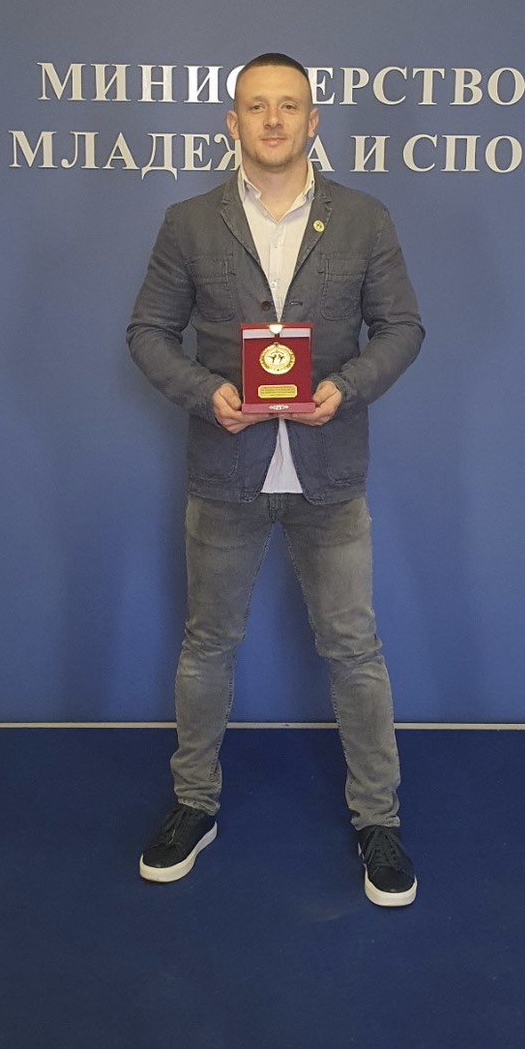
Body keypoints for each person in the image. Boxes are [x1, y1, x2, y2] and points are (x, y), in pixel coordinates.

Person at [126, 53, 424, 906]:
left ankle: (378, 821)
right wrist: (206, 392)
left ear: (313, 120)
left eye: (288, 106)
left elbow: (402, 327)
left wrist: (349, 386)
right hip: (226, 472)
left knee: (355, 650)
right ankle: (194, 805)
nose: (272, 121)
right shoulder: (189, 222)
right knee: (207, 646)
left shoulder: (364, 218)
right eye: (257, 106)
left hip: (330, 475)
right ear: (232, 122)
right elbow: (147, 333)